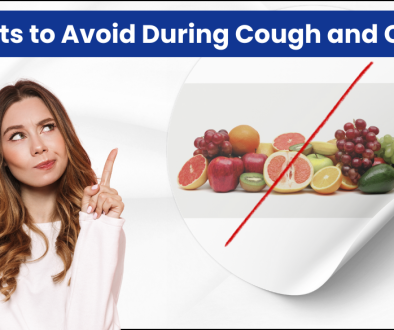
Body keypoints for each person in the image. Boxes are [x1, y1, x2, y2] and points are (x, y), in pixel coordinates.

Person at [0, 80, 126, 330]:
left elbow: (94, 323)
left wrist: (99, 229)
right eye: (17, 136)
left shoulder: (98, 227)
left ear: (64, 135)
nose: (39, 147)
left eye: (47, 127)